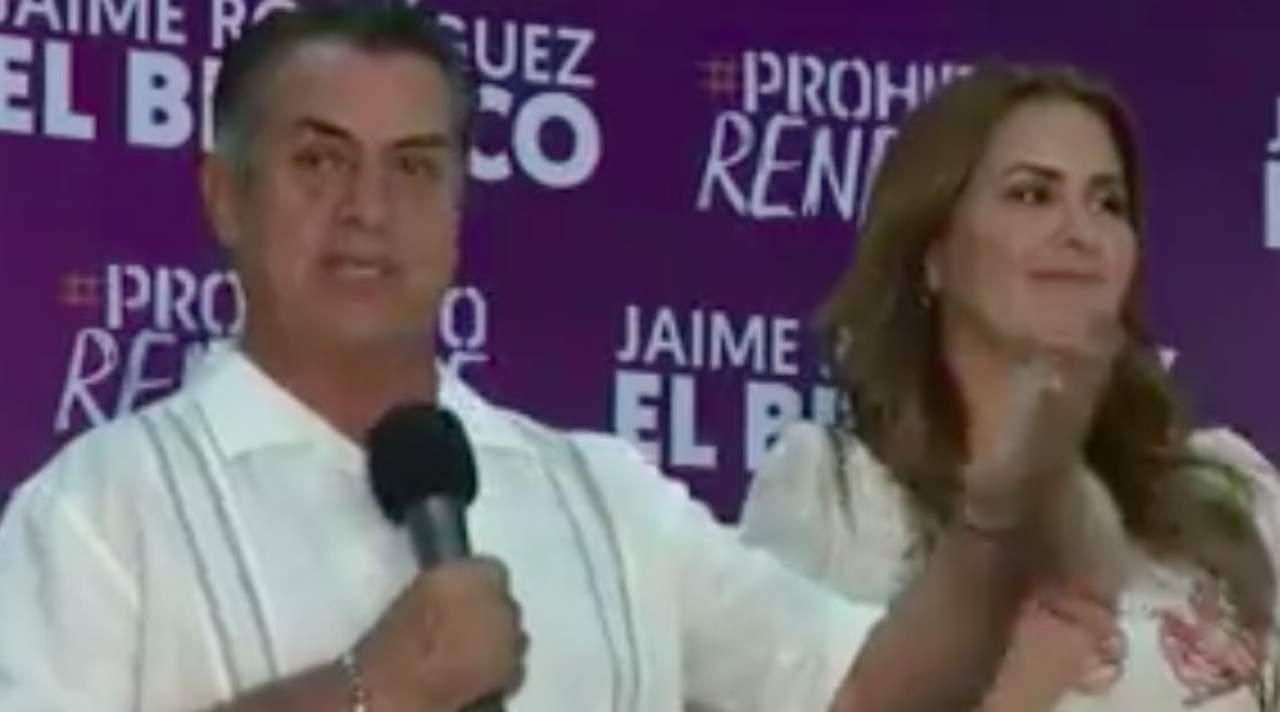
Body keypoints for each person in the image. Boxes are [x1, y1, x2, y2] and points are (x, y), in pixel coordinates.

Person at [1, 8, 1088, 712]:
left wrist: (994, 523)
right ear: (223, 196)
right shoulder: (98, 512)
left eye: (414, 167)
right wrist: (369, 688)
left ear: (458, 208)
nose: (368, 208)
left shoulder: (603, 496)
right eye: (320, 161)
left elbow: (871, 691)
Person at [740, 62, 1280, 711]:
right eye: (1031, 195)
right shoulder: (838, 497)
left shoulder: (1232, 492)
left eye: (1107, 203)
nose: (1079, 233)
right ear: (933, 254)